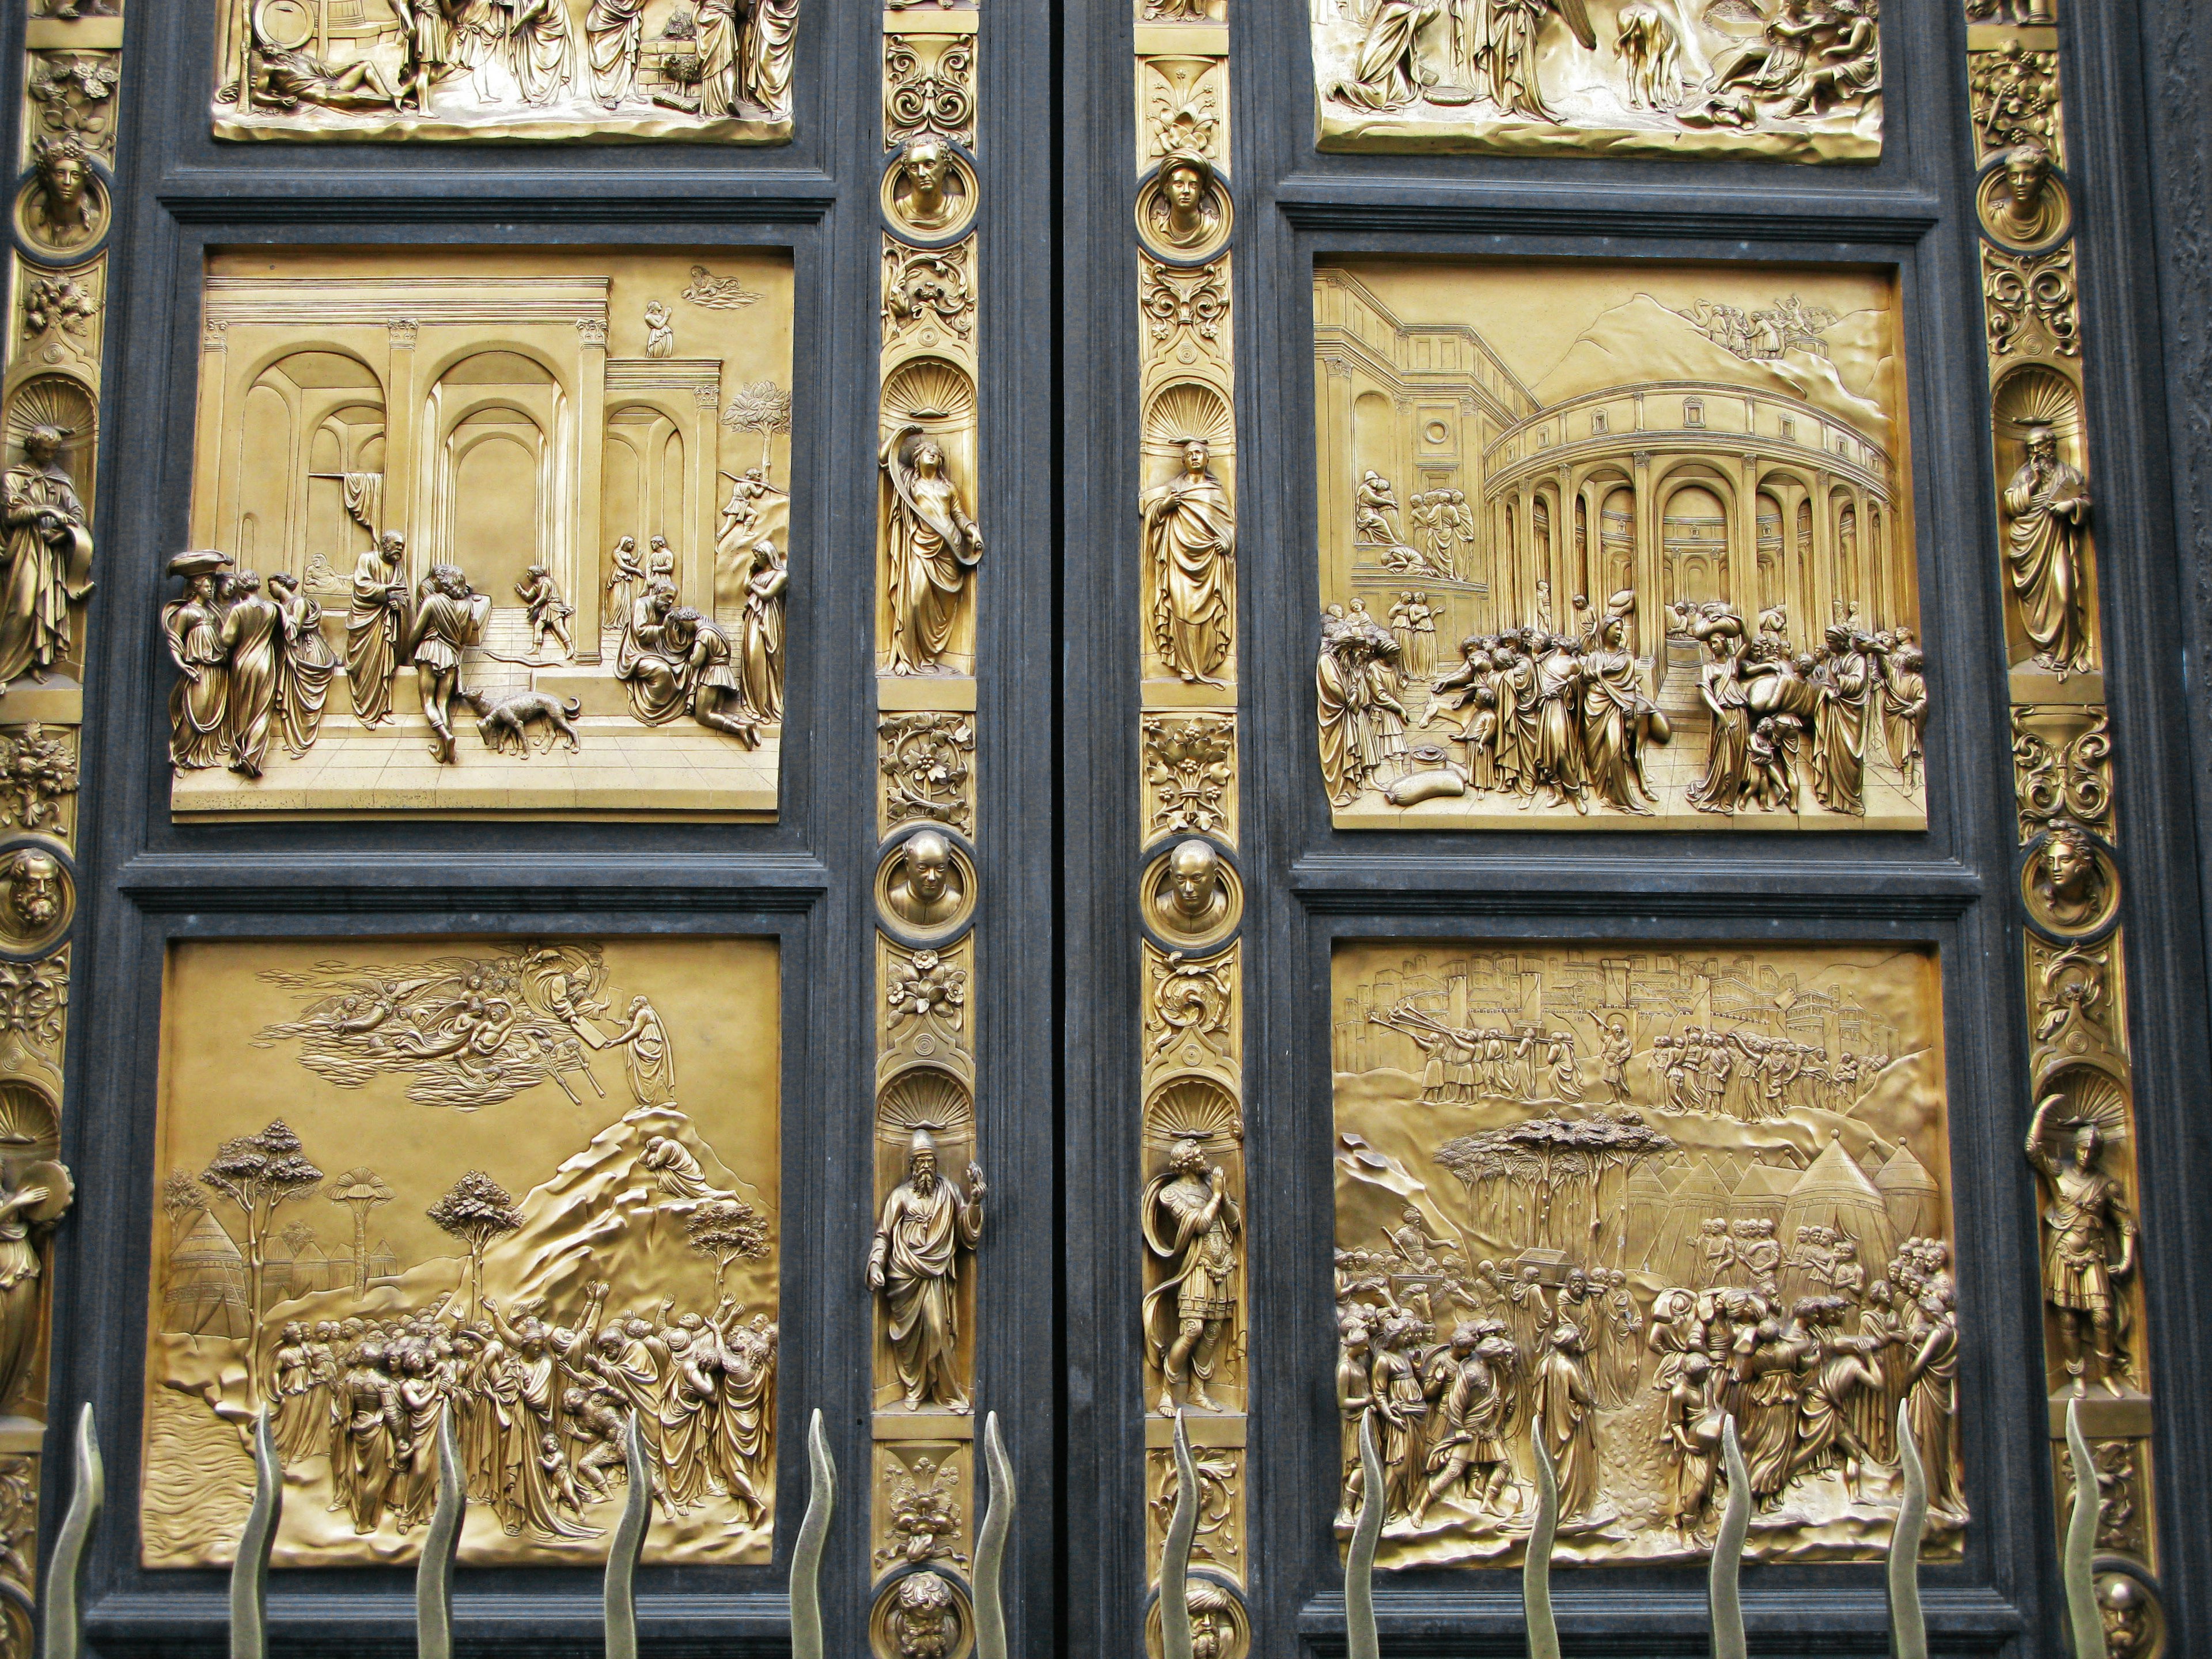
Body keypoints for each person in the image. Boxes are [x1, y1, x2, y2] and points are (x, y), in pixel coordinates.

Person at [867, 1130, 987, 1411]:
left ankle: (947, 1393)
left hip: (935, 1275)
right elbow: (884, 1234)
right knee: (909, 1341)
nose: (925, 1167)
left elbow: (967, 1232)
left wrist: (976, 1203)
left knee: (936, 1329)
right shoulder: (899, 1196)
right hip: (903, 1276)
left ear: (936, 1164)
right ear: (911, 1166)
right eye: (919, 1162)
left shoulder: (949, 1192)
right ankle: (914, 1388)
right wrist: (876, 1263)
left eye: (929, 1162)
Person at [1142, 1136, 1243, 1414]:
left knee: (1212, 1332)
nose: (1204, 1157)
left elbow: (1233, 1222)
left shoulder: (1211, 1186)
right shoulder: (1171, 1194)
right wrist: (1217, 1197)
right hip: (1197, 1266)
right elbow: (1199, 1224)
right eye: (1198, 1153)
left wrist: (1221, 1197)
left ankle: (1198, 1391)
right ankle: (1166, 1391)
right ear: (1186, 1160)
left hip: (1222, 1264)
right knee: (1192, 1329)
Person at [880, 425, 983, 674]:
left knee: (943, 608)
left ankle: (929, 657)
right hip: (920, 545)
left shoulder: (948, 488)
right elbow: (886, 460)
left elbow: (958, 516)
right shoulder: (909, 480)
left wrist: (972, 531)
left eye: (937, 454)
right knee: (914, 600)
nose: (933, 455)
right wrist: (901, 433)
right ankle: (909, 658)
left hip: (950, 549)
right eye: (928, 452)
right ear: (917, 459)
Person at [0, 426, 93, 688]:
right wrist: (45, 509)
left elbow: (77, 513)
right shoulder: (14, 477)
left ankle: (31, 662)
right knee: (23, 607)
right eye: (45, 450)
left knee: (44, 607)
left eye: (54, 451)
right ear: (32, 447)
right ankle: (4, 670)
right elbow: (11, 515)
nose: (50, 456)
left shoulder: (59, 478)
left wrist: (64, 534)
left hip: (50, 554)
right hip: (23, 549)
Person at [1142, 439, 1237, 685]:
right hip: (1177, 557)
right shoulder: (1172, 488)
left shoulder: (1214, 492)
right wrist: (1165, 506)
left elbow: (1227, 526)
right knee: (1180, 610)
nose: (1195, 457)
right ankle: (1185, 664)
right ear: (1182, 461)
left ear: (1207, 459)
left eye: (1199, 453)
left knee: (1207, 612)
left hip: (1208, 562)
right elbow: (1149, 514)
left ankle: (1203, 664)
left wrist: (1225, 543)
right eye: (1190, 454)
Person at [2003, 423, 2093, 674]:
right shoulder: (2025, 474)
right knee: (2037, 602)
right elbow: (2012, 504)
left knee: (2064, 595)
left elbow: (2084, 499)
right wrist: (2032, 485)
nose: (2035, 454)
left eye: (2038, 447)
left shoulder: (2067, 474)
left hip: (2056, 542)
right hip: (2032, 544)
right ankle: (2046, 652)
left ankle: (2069, 654)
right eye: (2031, 449)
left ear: (2050, 447)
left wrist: (2071, 505)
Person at [403, 563, 490, 764]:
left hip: (430, 651)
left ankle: (444, 734)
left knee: (428, 702)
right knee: (444, 703)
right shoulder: (468, 606)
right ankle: (445, 749)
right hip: (450, 657)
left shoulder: (432, 601)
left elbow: (415, 632)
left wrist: (412, 652)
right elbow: (466, 637)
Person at [163, 551, 232, 770]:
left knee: (213, 711)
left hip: (217, 668)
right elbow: (175, 641)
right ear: (195, 588)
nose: (211, 589)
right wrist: (183, 665)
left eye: (212, 585)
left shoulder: (211, 612)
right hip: (199, 669)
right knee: (198, 711)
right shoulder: (187, 612)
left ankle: (203, 755)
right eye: (206, 585)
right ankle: (183, 754)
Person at [217, 571, 285, 778]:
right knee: (262, 711)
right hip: (265, 662)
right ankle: (253, 756)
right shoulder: (273, 609)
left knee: (243, 711)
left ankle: (238, 755)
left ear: (241, 587)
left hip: (244, 662)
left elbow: (227, 639)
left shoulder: (239, 610)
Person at [267, 570, 337, 756]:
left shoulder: (298, 603)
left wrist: (279, 611)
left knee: (305, 701)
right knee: (292, 701)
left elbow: (294, 629)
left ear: (281, 584)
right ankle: (294, 739)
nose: (270, 590)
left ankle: (303, 742)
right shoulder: (283, 605)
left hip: (306, 653)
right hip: (291, 654)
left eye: (271, 585)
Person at [346, 532, 410, 724]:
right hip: (365, 622)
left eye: (403, 546)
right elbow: (362, 585)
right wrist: (388, 591)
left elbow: (403, 594)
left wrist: (399, 605)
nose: (400, 549)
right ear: (384, 544)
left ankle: (381, 710)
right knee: (364, 666)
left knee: (384, 665)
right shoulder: (367, 559)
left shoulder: (398, 568)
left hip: (385, 624)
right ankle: (365, 711)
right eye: (397, 544)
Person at [737, 540, 786, 721]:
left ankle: (766, 706)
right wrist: (751, 572)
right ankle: (753, 703)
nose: (755, 559)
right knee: (751, 657)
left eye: (758, 556)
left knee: (764, 657)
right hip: (753, 616)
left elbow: (767, 595)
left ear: (767, 556)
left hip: (768, 618)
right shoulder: (757, 573)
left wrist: (754, 587)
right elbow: (745, 589)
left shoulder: (781, 575)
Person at [515, 565, 574, 657]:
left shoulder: (546, 582)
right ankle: (536, 648)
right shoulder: (536, 585)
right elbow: (529, 597)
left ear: (535, 574)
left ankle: (570, 647)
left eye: (529, 573)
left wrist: (534, 606)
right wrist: (520, 590)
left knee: (559, 628)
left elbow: (544, 597)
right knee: (538, 626)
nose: (527, 575)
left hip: (553, 607)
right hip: (546, 608)